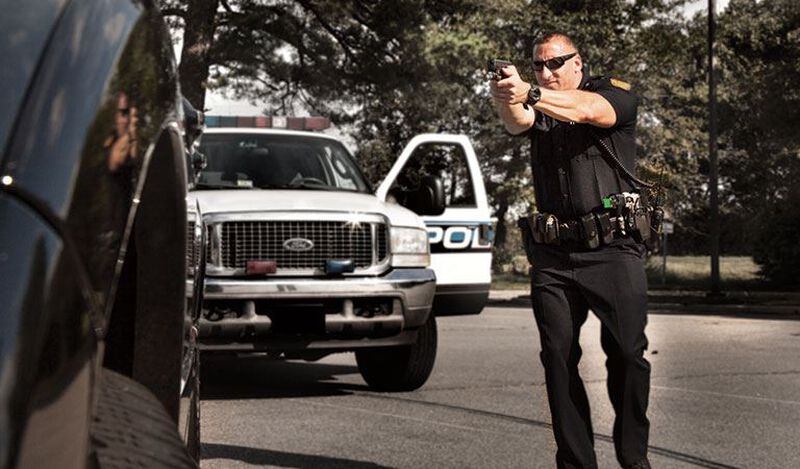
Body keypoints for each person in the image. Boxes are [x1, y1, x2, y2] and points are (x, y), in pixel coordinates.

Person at [489, 32, 652, 469]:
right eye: (539, 65)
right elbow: (516, 122)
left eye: (557, 63)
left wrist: (530, 91)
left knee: (628, 356)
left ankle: (634, 460)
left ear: (579, 64)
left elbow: (589, 111)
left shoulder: (613, 93)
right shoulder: (539, 109)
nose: (547, 71)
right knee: (558, 357)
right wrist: (507, 93)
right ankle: (577, 464)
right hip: (554, 256)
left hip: (613, 250)